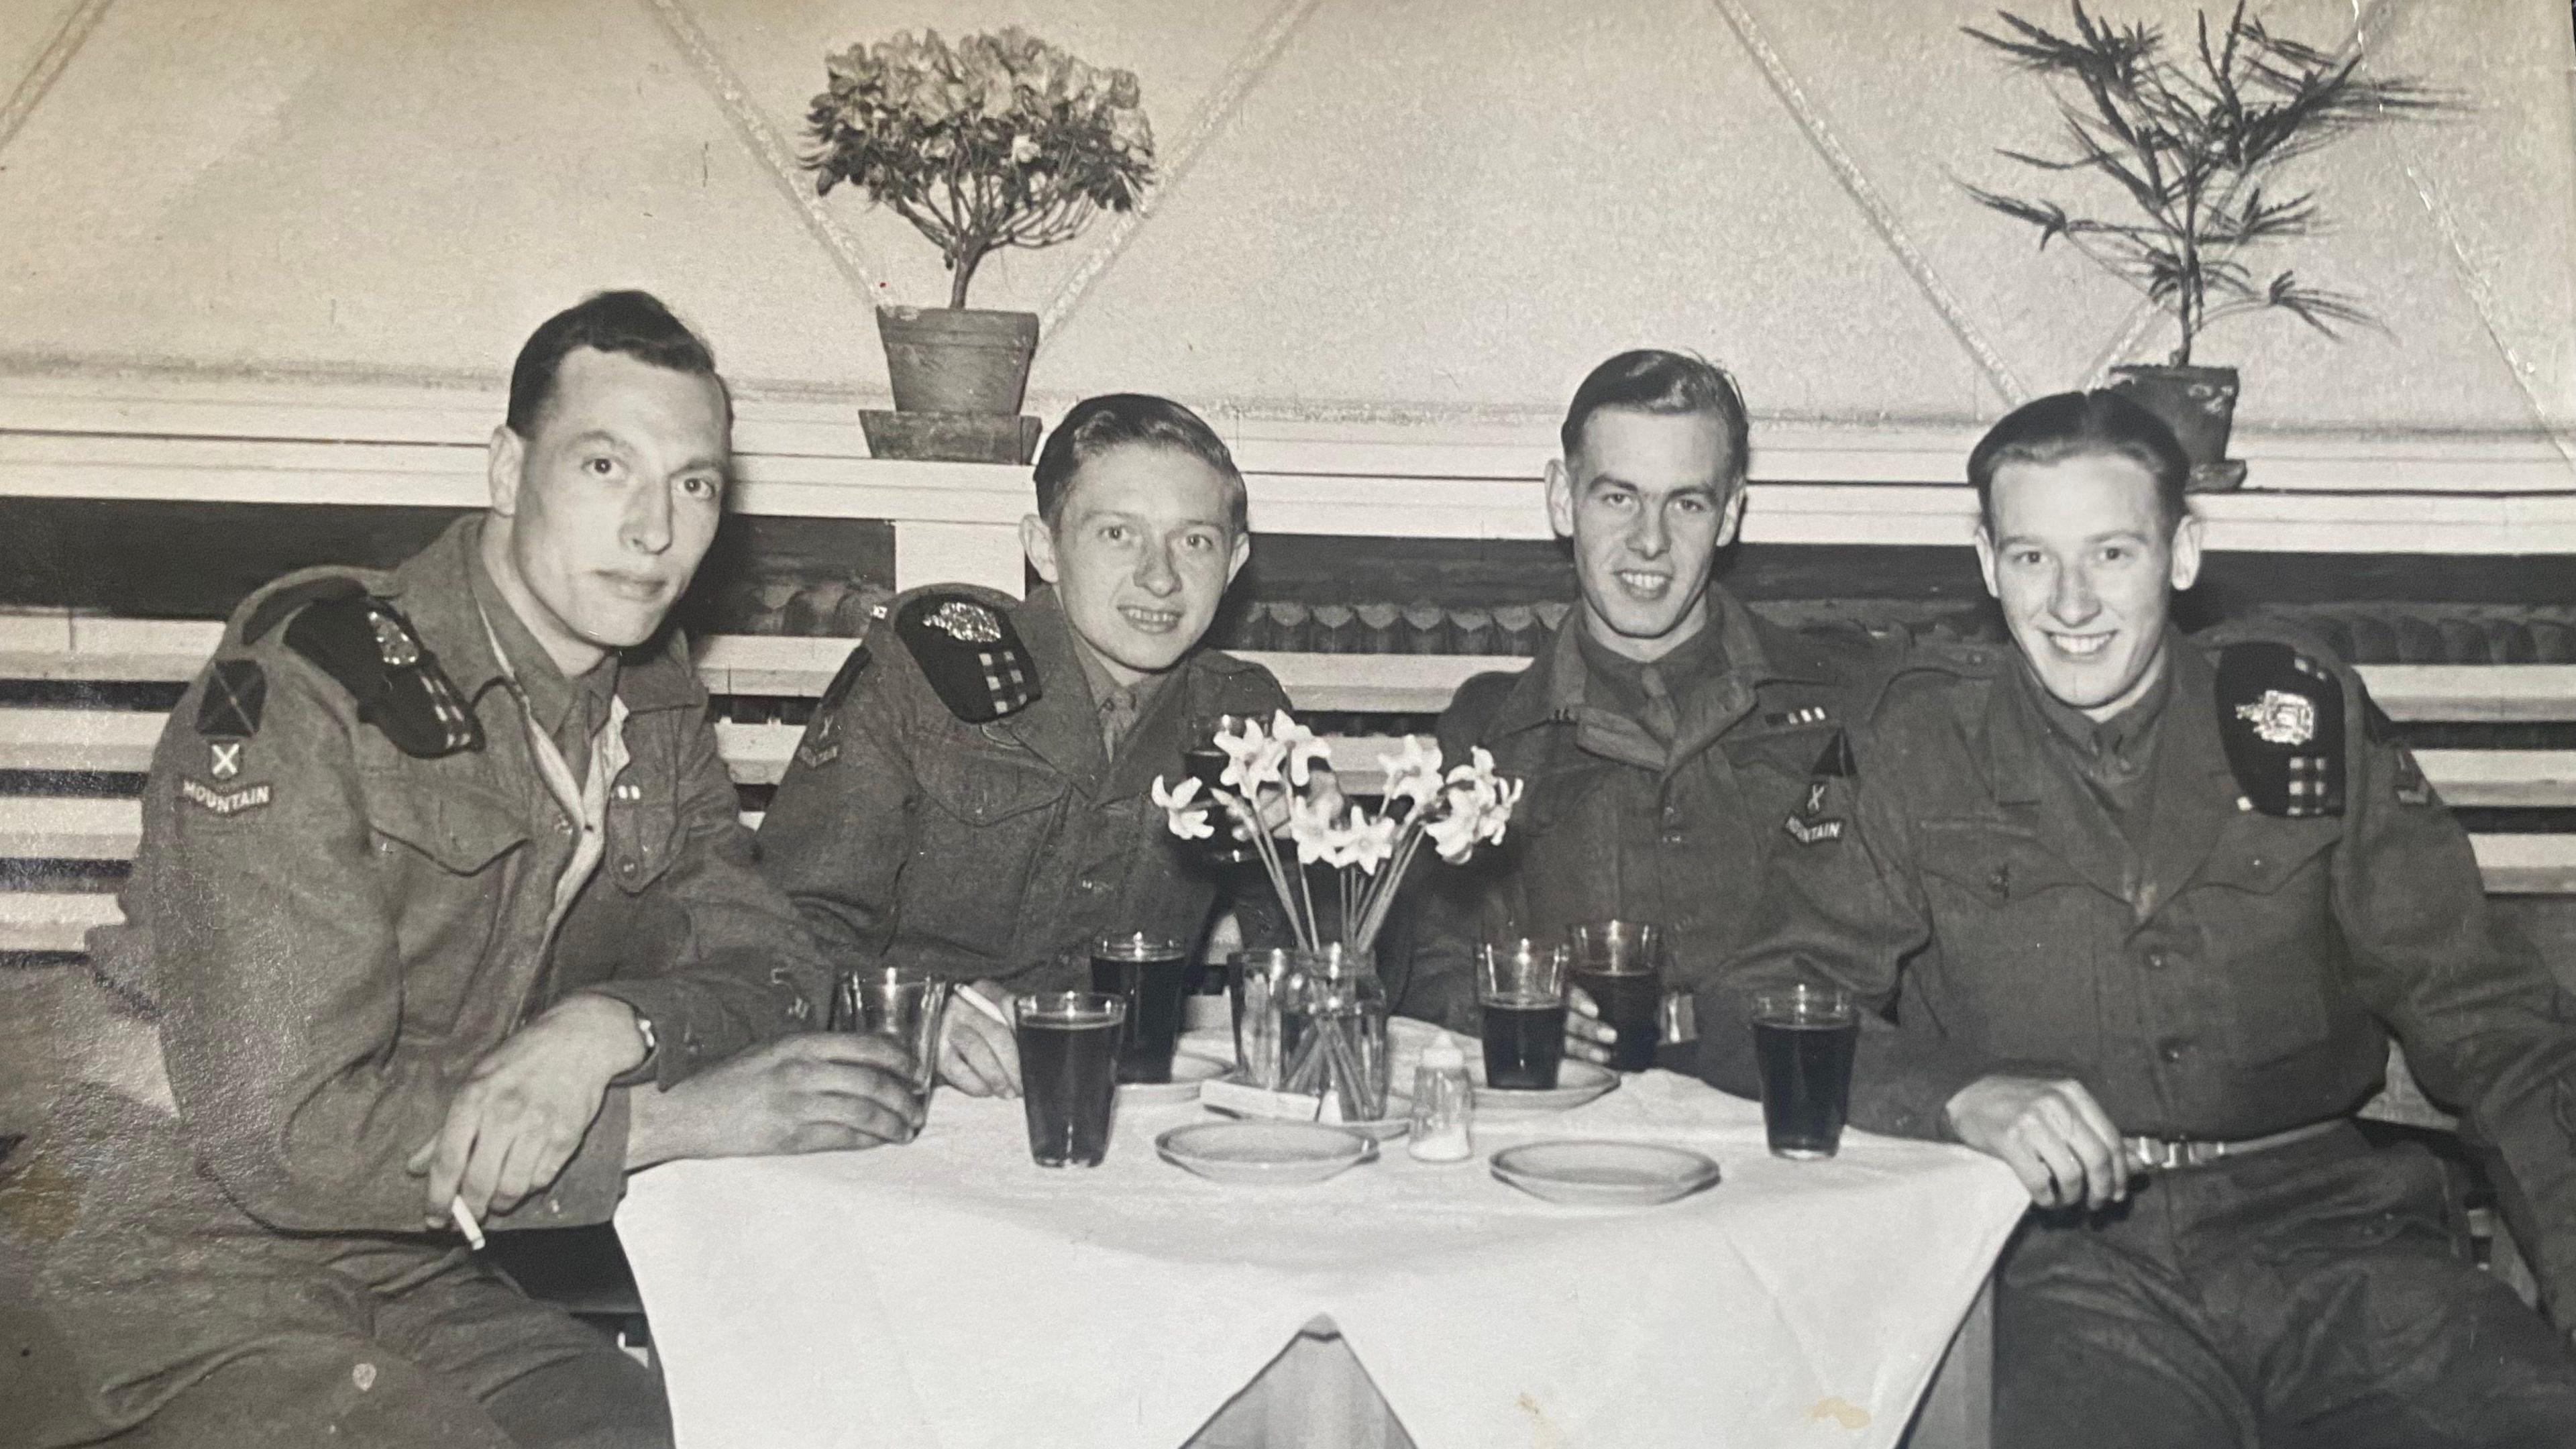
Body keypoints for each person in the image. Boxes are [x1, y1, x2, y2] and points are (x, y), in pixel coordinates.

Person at [17, 291, 925, 1449]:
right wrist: (669, 1122)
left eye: (693, 484)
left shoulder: (644, 700)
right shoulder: (314, 683)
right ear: (507, 470)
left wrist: (608, 1029)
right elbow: (283, 1136)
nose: (656, 531)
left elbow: (776, 960)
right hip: (163, 1255)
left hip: (411, 1257)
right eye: (606, 466)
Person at [1702, 390, 2576, 1448]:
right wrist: (1957, 1095)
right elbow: (1754, 1003)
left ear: (2183, 550)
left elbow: (2492, 1021)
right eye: (2032, 558)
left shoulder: (2293, 711)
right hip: (2061, 1276)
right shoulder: (1914, 734)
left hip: (2345, 1251)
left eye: (2112, 554)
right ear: (1986, 563)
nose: (2072, 603)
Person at [755, 393, 1294, 1086]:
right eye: (1117, 535)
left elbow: (1316, 971)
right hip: (908, 1088)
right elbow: (780, 929)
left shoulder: (1242, 714)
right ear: (1044, 547)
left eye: (1195, 541)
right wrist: (920, 1012)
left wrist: (1318, 858)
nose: (1160, 578)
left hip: (1121, 1098)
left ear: (1235, 560)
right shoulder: (927, 672)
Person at [1389, 349, 1892, 1066]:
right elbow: (1432, 965)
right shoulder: (1493, 727)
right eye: (1618, 497)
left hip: (1784, 1095)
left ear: (1730, 514)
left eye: (1686, 502)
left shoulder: (1836, 699)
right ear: (1564, 499)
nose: (1650, 541)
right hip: (1579, 1112)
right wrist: (1502, 1004)